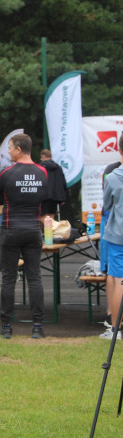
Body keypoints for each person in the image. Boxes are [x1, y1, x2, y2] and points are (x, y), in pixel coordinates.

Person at [0, 133, 48, 339]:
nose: (8, 152)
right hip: (33, 230)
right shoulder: (42, 172)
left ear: (18, 149)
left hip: (10, 229)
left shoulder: (7, 173)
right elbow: (44, 197)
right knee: (34, 278)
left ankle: (6, 327)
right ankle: (37, 326)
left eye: (10, 148)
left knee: (8, 279)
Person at [99, 134, 123, 340]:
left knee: (118, 280)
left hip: (118, 235)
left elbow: (107, 205)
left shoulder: (113, 177)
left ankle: (116, 328)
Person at [39, 149, 68, 218]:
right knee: (51, 216)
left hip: (44, 196)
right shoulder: (58, 167)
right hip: (55, 197)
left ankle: (50, 224)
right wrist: (63, 197)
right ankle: (52, 225)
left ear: (43, 157)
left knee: (42, 217)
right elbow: (63, 182)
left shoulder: (40, 167)